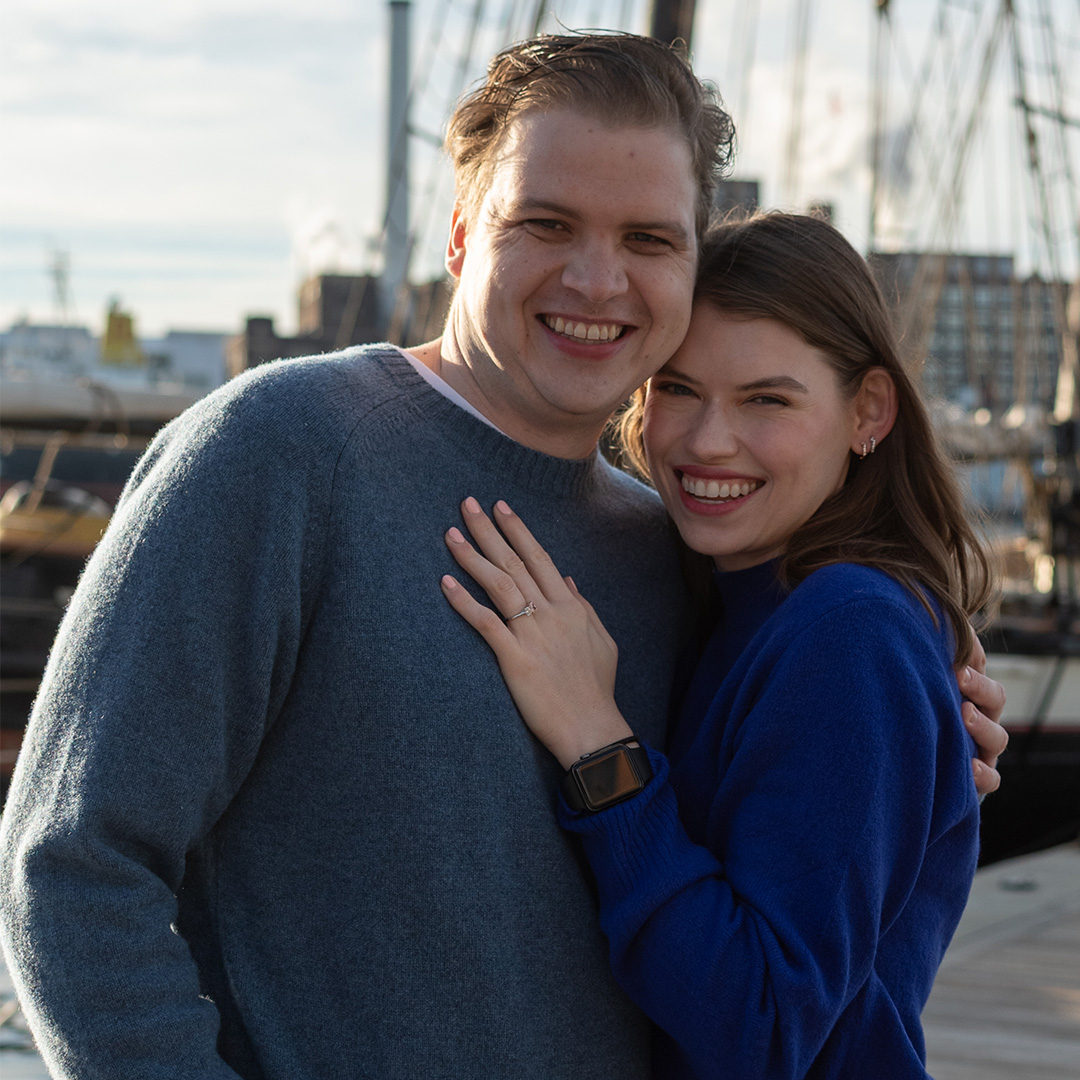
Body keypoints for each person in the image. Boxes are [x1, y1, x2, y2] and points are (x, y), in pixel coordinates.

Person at [0, 35, 1003, 1080]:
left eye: (650, 238)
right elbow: (71, 864)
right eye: (547, 222)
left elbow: (792, 791)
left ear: (692, 261)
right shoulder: (282, 451)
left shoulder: (672, 548)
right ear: (461, 234)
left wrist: (927, 715)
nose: (598, 278)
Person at [440, 212, 998, 1078]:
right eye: (678, 388)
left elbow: (764, 1027)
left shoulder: (851, 629)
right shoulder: (733, 598)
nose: (706, 442)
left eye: (767, 399)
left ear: (868, 411)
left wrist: (598, 744)